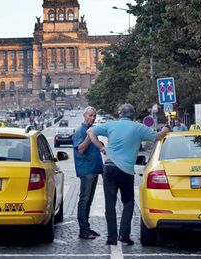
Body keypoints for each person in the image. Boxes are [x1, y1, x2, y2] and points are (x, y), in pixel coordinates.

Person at [87, 103, 170, 246]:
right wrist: (166, 128)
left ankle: (111, 238)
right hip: (126, 171)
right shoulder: (138, 128)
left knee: (110, 204)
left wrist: (102, 148)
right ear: (132, 114)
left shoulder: (111, 125)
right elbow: (158, 137)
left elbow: (90, 132)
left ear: (120, 114)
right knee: (129, 202)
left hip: (110, 168)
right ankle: (124, 235)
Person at [72, 106, 103, 239]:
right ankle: (83, 230)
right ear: (84, 116)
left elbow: (95, 150)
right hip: (86, 171)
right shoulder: (80, 130)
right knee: (84, 200)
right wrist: (89, 137)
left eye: (94, 116)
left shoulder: (92, 130)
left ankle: (87, 228)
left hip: (94, 169)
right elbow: (80, 149)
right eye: (90, 115)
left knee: (89, 201)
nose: (92, 118)